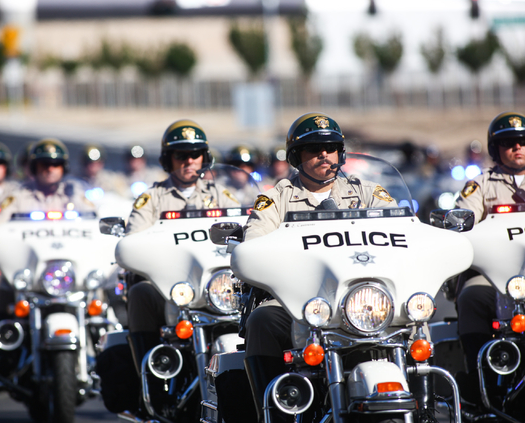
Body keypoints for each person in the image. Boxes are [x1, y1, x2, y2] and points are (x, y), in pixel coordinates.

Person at [240, 112, 397, 423]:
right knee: (262, 319)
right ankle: (274, 412)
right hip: (299, 302)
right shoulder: (275, 199)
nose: (324, 155)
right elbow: (254, 245)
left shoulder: (367, 192)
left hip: (363, 298)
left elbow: (401, 229)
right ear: (297, 157)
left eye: (331, 148)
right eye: (314, 149)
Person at [102, 119, 241, 418]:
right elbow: (133, 242)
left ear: (204, 157)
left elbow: (244, 232)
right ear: (169, 159)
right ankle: (153, 382)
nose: (189, 161)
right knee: (140, 292)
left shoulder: (222, 195)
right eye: (181, 155)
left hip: (216, 287)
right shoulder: (152, 198)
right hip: (170, 289)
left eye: (195, 154)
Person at [454, 111, 525, 405]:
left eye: (523, 141)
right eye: (508, 142)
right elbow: (461, 225)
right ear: (496, 149)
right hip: (499, 277)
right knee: (470, 296)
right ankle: (482, 380)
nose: (517, 147)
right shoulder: (480, 185)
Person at [0, 138, 95, 320]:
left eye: (56, 164)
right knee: (4, 290)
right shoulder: (18, 197)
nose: (50, 169)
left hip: (70, 275)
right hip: (28, 276)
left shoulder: (76, 195)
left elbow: (97, 225)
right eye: (44, 164)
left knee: (101, 293)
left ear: (64, 168)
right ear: (33, 167)